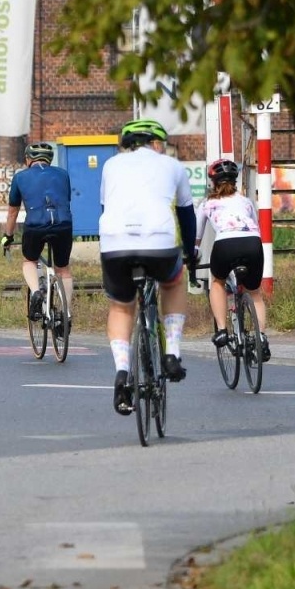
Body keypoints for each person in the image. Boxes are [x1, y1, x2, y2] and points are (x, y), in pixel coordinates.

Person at [99, 118, 196, 415]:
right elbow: (187, 215)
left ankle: (121, 372)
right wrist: (189, 252)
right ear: (156, 143)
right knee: (174, 282)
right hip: (159, 242)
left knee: (121, 307)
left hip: (115, 244)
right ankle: (172, 353)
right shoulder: (172, 166)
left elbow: (105, 208)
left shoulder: (110, 165)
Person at [196, 158, 271, 361]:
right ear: (235, 181)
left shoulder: (207, 204)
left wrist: (193, 254)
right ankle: (261, 338)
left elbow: (196, 237)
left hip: (225, 245)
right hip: (253, 243)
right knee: (254, 292)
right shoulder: (246, 202)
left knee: (218, 282)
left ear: (213, 182)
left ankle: (222, 330)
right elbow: (255, 226)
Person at [1, 142, 75, 332]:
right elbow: (65, 200)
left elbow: (12, 212)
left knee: (29, 261)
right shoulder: (63, 174)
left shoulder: (20, 177)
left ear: (28, 159)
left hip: (35, 225)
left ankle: (35, 292)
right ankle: (66, 315)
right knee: (63, 269)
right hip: (63, 224)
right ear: (49, 159)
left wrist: (7, 237)